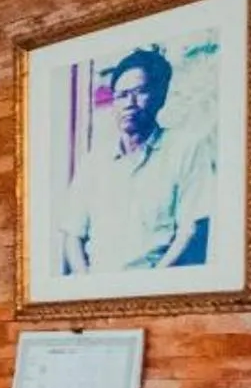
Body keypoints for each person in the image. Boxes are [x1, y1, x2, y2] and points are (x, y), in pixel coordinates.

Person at [60, 44, 216, 274]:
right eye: (121, 95)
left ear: (159, 96)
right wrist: (85, 285)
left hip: (158, 288)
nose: (129, 104)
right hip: (96, 290)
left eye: (139, 92)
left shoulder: (186, 148)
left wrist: (151, 285)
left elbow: (191, 231)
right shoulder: (93, 163)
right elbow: (73, 235)